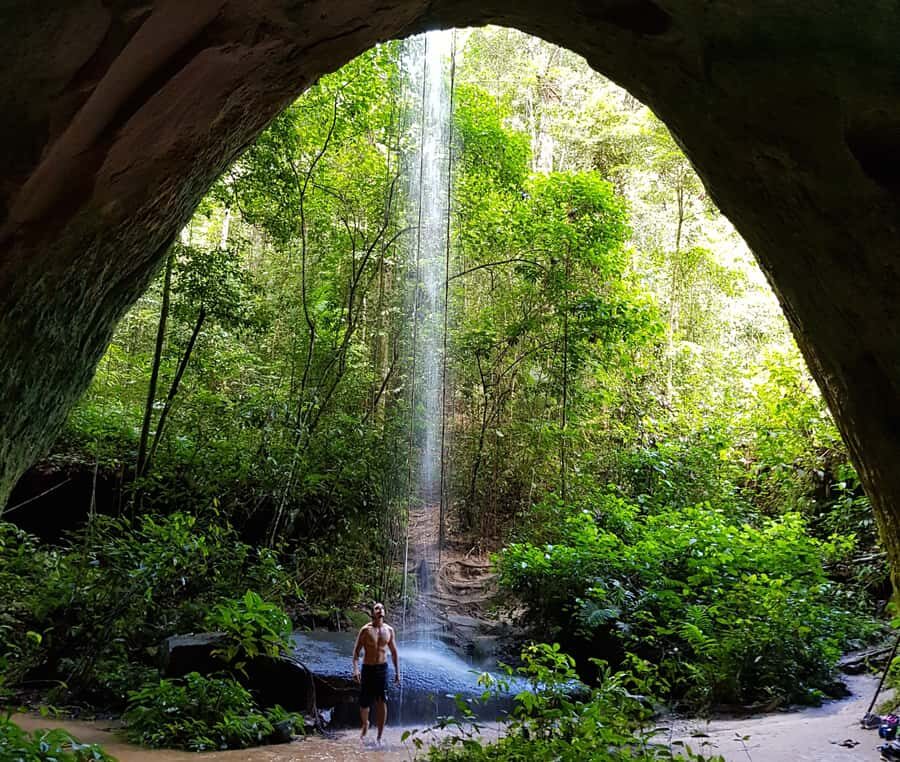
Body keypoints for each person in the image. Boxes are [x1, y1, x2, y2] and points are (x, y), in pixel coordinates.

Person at [352, 602, 400, 748]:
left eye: (382, 608)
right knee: (364, 702)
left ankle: (379, 735)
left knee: (381, 701)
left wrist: (397, 672)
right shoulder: (365, 630)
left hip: (382, 668)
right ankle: (366, 724)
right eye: (377, 608)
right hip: (368, 668)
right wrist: (356, 669)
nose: (380, 610)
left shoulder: (389, 630)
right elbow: (355, 653)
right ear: (372, 613)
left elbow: (394, 652)